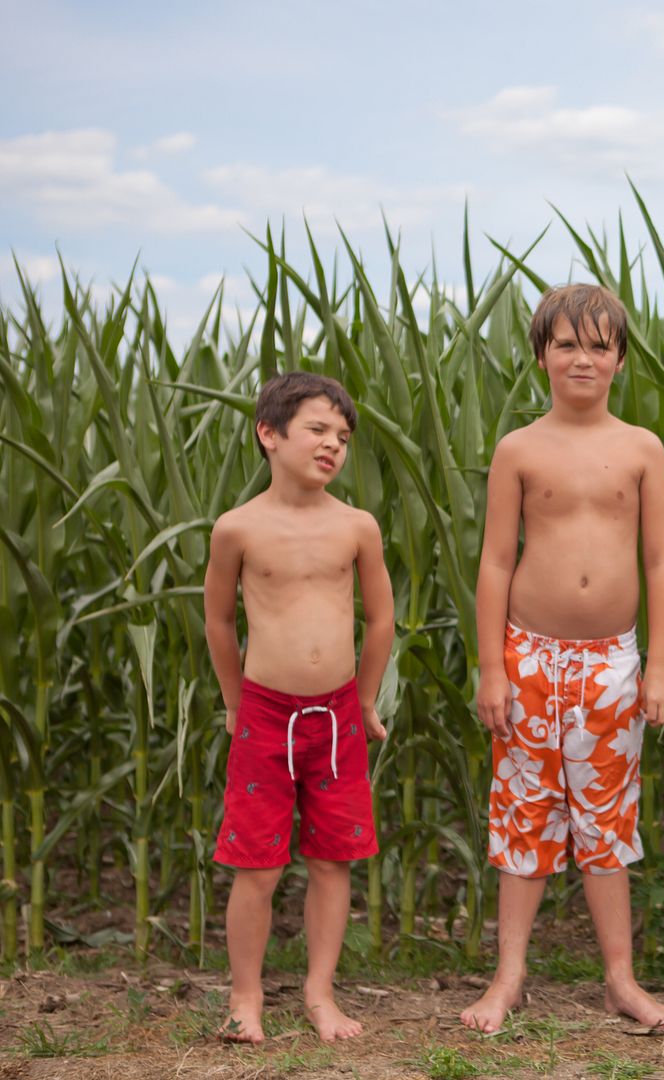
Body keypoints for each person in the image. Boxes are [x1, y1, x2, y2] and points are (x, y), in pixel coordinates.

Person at [461, 284, 664, 1033]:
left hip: (611, 662)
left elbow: (660, 563)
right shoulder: (518, 448)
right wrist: (492, 667)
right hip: (528, 656)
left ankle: (621, 980)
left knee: (607, 824)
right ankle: (509, 976)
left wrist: (659, 664)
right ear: (541, 357)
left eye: (597, 345)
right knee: (524, 816)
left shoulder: (642, 448)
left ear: (619, 358)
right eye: (566, 344)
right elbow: (495, 562)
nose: (581, 357)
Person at [204, 371, 394, 1043]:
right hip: (264, 715)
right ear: (269, 434)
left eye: (342, 436)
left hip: (337, 717)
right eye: (316, 429)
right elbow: (220, 622)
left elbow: (379, 620)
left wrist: (366, 696)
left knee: (332, 860)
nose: (332, 445)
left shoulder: (357, 527)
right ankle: (245, 997)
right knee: (256, 864)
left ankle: (320, 994)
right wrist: (233, 701)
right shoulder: (238, 529)